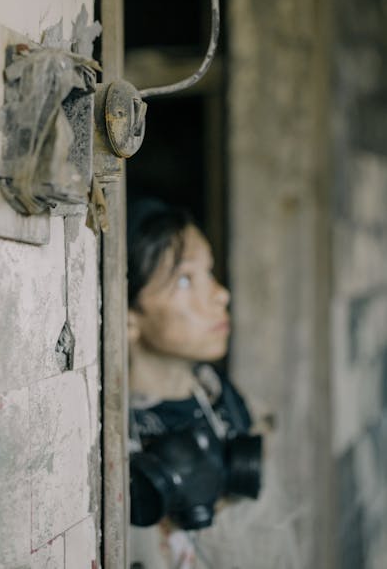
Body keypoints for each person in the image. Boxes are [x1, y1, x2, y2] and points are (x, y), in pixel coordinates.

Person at [127, 199, 262, 569]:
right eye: (186, 280)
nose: (221, 294)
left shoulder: (219, 395)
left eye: (210, 273)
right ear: (129, 317)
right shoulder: (109, 428)